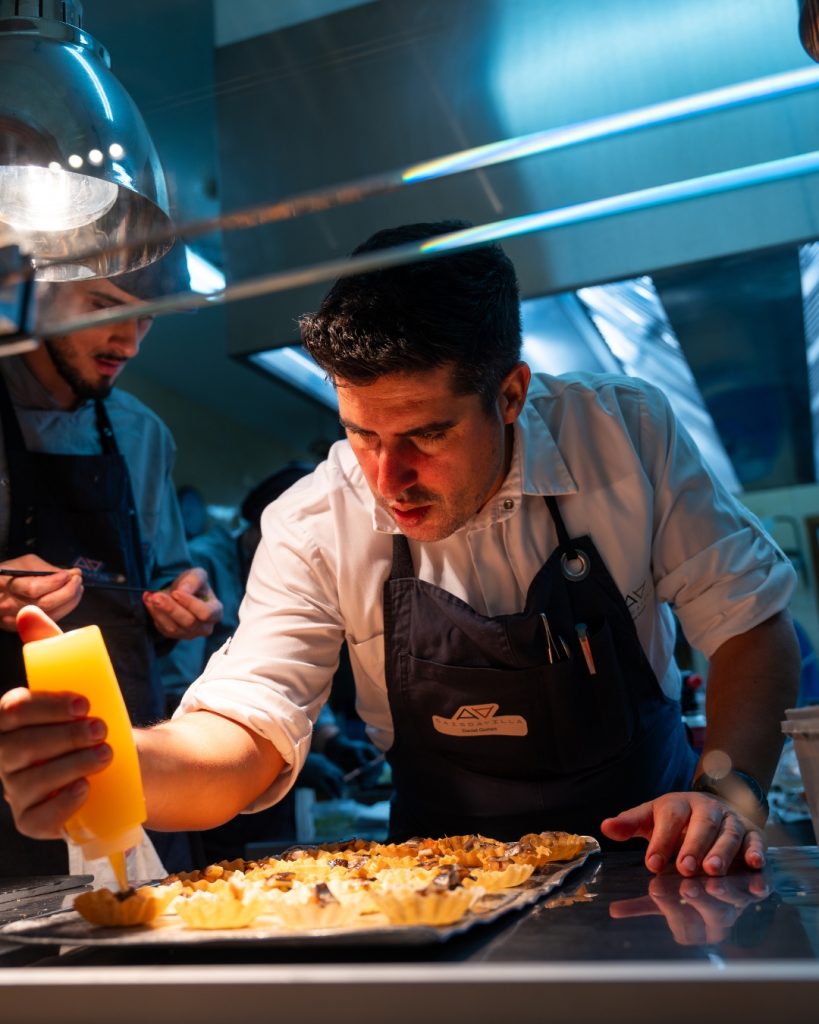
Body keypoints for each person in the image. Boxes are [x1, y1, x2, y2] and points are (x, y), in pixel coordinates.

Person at [0, 220, 801, 881]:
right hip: (443, 889)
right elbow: (246, 731)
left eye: (427, 434)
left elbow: (750, 627)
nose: (389, 479)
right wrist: (116, 764)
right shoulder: (313, 519)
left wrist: (726, 795)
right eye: (361, 434)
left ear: (510, 394)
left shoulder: (622, 435)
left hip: (654, 864)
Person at [0, 246, 222, 877]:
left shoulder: (142, 434)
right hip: (15, 780)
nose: (129, 341)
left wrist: (185, 608)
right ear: (33, 292)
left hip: (132, 762)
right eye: (103, 306)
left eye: (147, 317)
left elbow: (170, 576)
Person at [159, 465, 382, 858]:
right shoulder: (204, 565)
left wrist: (331, 741)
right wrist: (286, 757)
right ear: (263, 523)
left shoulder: (314, 560)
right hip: (206, 760)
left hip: (268, 766)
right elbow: (176, 684)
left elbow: (300, 661)